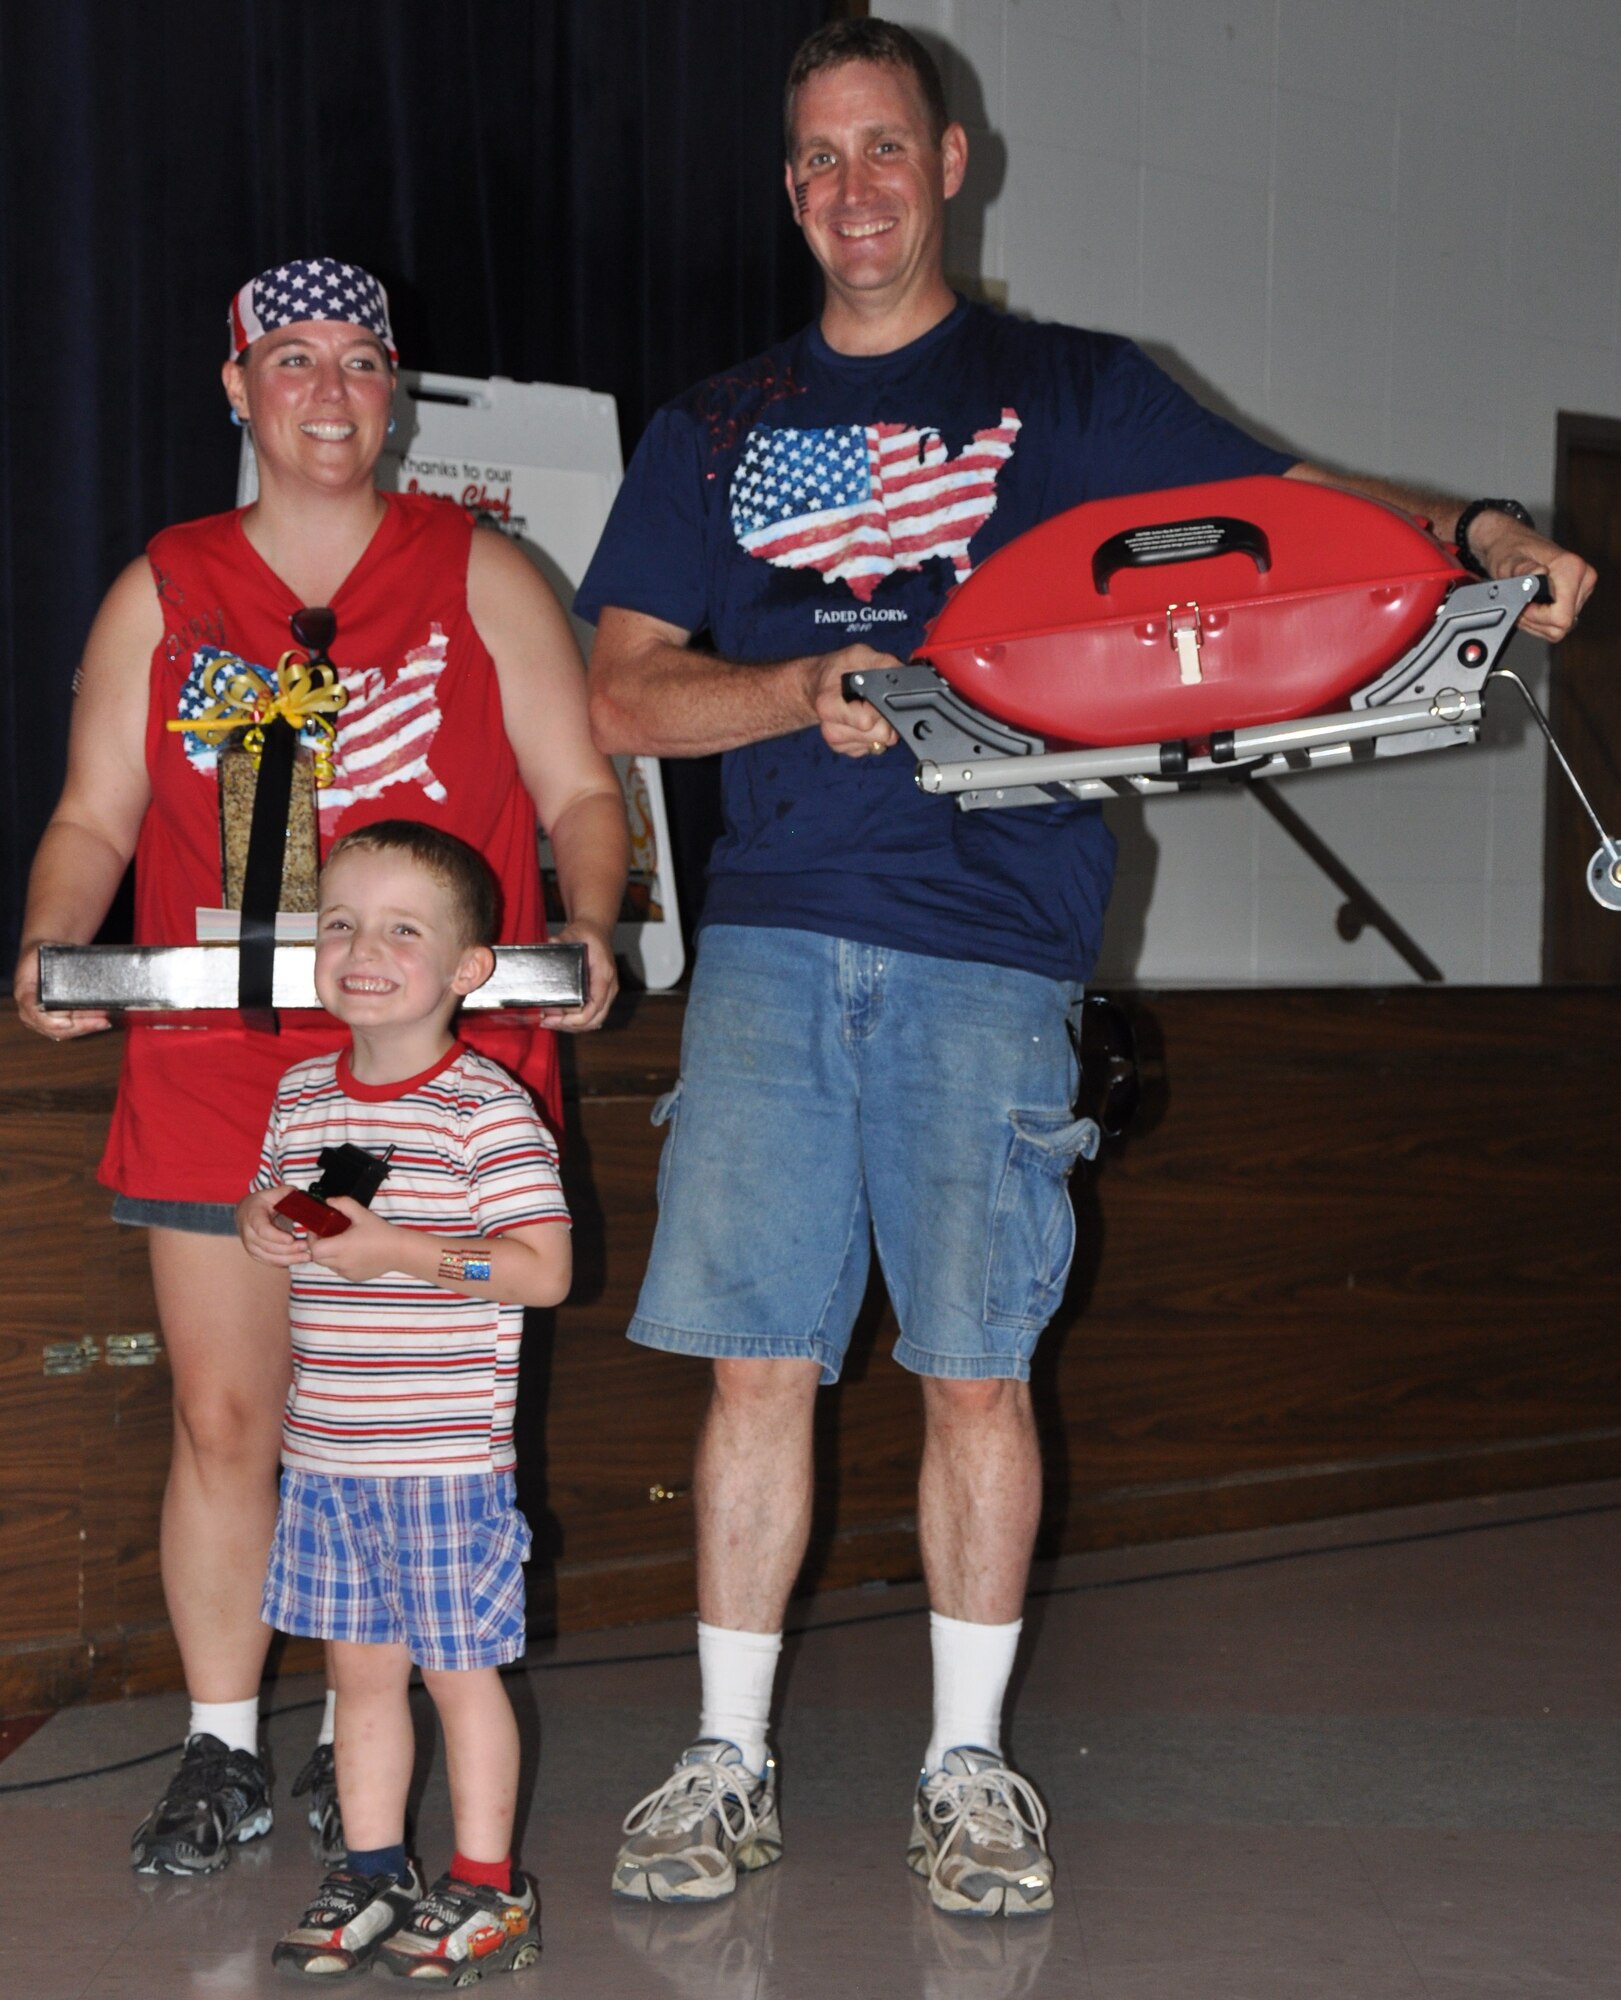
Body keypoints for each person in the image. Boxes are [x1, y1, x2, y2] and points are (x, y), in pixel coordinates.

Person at [577, 19, 1597, 1920]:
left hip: (992, 953)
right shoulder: (709, 426)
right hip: (778, 945)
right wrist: (800, 687)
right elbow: (617, 680)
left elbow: (1303, 520)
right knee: (757, 1376)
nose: (852, 190)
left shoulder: (1072, 393)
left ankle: (969, 1771)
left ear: (953, 162)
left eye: (885, 149)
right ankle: (725, 1761)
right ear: (787, 185)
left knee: (976, 1374)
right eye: (816, 160)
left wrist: (1477, 535)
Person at [12, 256, 629, 1875]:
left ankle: (405, 1756)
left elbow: (579, 792)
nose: (331, 389)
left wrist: (598, 920)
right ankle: (223, 1746)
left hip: (432, 1075)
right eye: (293, 359)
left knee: (401, 1427)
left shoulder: (480, 571)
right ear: (237, 389)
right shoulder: (166, 586)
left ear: (395, 390)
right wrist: (52, 941)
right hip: (225, 1061)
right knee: (229, 1418)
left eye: (361, 360)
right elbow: (93, 816)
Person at [239, 822, 565, 1981]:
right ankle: (374, 1868)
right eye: (338, 922)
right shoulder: (299, 1093)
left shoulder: (486, 1108)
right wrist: (261, 1225)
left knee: (459, 1672)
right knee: (359, 1675)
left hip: (442, 1460)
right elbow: (261, 1210)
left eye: (401, 929)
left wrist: (410, 1257)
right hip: (326, 1451)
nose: (361, 947)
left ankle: (487, 1888)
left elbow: (541, 1268)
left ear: (467, 968)